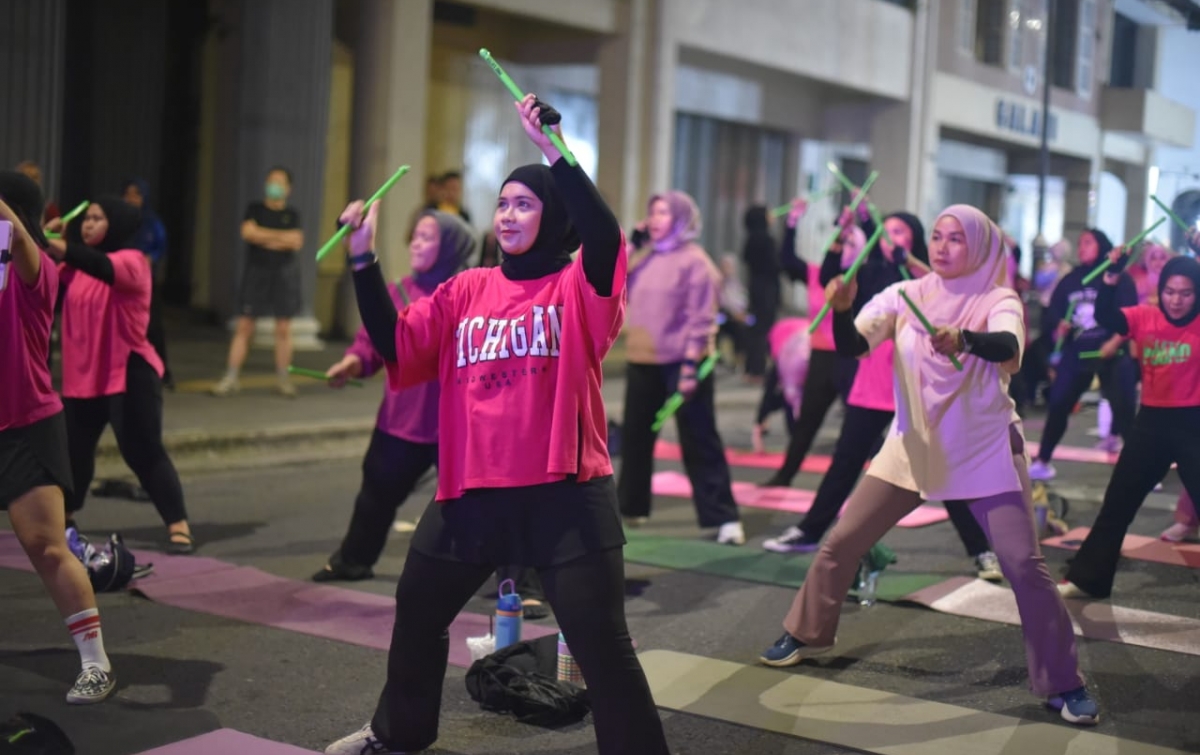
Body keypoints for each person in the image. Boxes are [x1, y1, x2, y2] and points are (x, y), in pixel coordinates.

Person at [323, 94, 669, 755]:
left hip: (563, 492)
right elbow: (396, 347)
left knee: (601, 645)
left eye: (524, 203)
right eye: (502, 203)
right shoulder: (465, 290)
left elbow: (605, 237)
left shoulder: (578, 287)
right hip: (471, 491)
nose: (507, 214)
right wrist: (363, 260)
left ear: (553, 216)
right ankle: (398, 734)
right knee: (418, 610)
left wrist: (555, 153)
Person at [758, 204, 1099, 726]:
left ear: (980, 247)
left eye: (956, 239)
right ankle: (805, 632)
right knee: (841, 541)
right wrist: (844, 309)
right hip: (912, 444)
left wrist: (965, 339)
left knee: (1024, 567)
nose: (941, 247)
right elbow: (852, 344)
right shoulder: (904, 295)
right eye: (937, 236)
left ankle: (1064, 681)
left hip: (984, 446)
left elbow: (1009, 345)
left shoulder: (998, 298)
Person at [760, 207, 999, 581]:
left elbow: (946, 291)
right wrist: (839, 239)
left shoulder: (929, 278)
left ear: (915, 239)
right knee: (845, 463)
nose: (891, 238)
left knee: (941, 471)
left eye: (901, 232)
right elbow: (831, 280)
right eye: (886, 232)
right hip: (872, 382)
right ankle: (808, 532)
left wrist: (911, 260)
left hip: (920, 385)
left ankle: (982, 549)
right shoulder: (873, 274)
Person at [0, 172, 115, 704]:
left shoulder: (36, 269)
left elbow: (19, 238)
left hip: (27, 425)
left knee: (46, 547)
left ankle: (96, 663)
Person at [47, 197, 194, 554]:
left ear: (118, 223)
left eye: (98, 218)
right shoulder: (77, 267)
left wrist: (57, 245)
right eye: (87, 219)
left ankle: (178, 524)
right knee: (73, 454)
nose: (89, 224)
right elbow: (48, 274)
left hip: (128, 373)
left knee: (142, 451)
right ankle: (63, 519)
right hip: (84, 376)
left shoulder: (133, 262)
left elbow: (96, 263)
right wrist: (42, 244)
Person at [1059, 254, 1200, 599]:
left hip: (1194, 423)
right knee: (1117, 504)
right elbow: (1106, 316)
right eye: (1169, 292)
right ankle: (1089, 579)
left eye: (1186, 293)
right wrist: (1111, 276)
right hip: (1150, 424)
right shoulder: (1144, 316)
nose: (1176, 300)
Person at [617, 190, 744, 545]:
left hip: (684, 363)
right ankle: (630, 508)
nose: (655, 219)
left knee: (699, 439)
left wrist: (690, 367)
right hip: (642, 359)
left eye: (663, 213)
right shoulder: (642, 258)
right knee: (636, 439)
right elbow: (612, 279)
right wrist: (633, 242)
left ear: (683, 219)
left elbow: (702, 319)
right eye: (651, 213)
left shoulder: (696, 262)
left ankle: (723, 517)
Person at [759, 198, 857, 487]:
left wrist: (861, 219)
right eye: (840, 241)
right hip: (822, 355)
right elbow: (787, 260)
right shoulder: (818, 273)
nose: (843, 246)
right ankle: (784, 475)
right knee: (808, 421)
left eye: (850, 242)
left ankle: (850, 487)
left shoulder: (864, 276)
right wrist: (793, 223)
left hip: (852, 356)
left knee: (857, 427)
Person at [1030, 230, 1138, 477]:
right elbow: (1054, 316)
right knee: (1058, 403)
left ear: (1101, 245)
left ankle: (1140, 471)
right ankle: (1043, 460)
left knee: (1124, 410)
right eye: (1079, 243)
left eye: (1087, 242)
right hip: (1077, 353)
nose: (1081, 248)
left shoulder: (1118, 276)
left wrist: (1115, 342)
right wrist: (1059, 329)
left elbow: (1132, 315)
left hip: (1112, 351)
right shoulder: (1071, 280)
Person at [212, 166, 305, 398]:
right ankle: (231, 376)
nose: (274, 185)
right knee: (245, 325)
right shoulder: (254, 209)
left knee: (283, 328)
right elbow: (249, 234)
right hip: (256, 273)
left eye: (279, 182)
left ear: (288, 188)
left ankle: (283, 379)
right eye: (271, 181)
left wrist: (264, 236)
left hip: (284, 274)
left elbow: (295, 241)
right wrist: (278, 238)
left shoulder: (292, 214)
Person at [122, 178, 171, 388]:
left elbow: (160, 249)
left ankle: (161, 372)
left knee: (152, 328)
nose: (131, 199)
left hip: (146, 283)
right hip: (122, 282)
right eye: (128, 194)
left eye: (137, 194)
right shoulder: (119, 220)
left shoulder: (152, 223)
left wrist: (149, 260)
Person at [743, 205, 780, 379]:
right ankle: (758, 369)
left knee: (755, 328)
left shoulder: (750, 240)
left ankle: (752, 367)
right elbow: (775, 266)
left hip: (754, 288)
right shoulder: (767, 240)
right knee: (764, 329)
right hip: (767, 290)